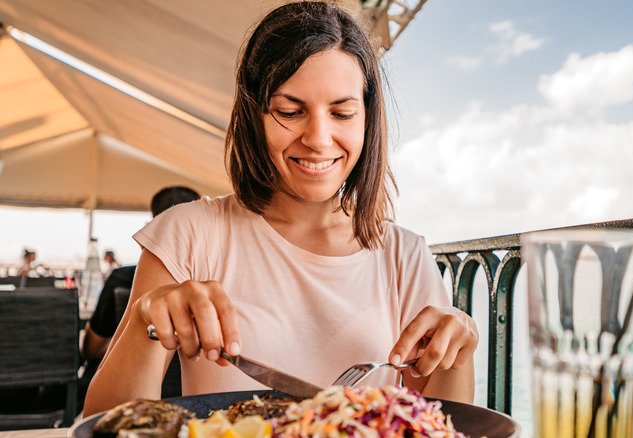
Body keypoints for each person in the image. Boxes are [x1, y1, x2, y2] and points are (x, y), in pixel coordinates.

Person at [84, 2, 478, 416]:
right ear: (255, 115)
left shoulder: (405, 255)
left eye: (342, 113)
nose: (319, 138)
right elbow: (101, 422)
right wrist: (146, 323)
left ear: (367, 120)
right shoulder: (189, 233)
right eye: (290, 111)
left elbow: (442, 421)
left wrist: (460, 348)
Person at [81, 186, 202, 362]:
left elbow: (91, 351)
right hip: (204, 388)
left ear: (153, 226)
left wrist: (128, 345)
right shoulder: (213, 283)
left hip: (129, 381)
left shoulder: (122, 279)